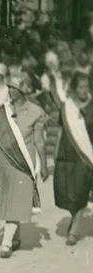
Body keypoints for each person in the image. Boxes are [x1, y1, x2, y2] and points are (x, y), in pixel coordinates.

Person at [0, 72, 48, 258]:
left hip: (23, 163)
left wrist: (45, 165)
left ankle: (6, 244)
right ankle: (15, 238)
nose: (9, 91)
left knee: (17, 199)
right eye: (9, 87)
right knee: (11, 201)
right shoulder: (3, 111)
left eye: (13, 88)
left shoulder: (36, 112)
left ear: (23, 90)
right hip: (3, 161)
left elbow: (39, 141)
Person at [55, 72, 93, 246]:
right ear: (74, 88)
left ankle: (74, 231)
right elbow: (61, 131)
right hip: (68, 155)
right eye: (81, 87)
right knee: (69, 194)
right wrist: (56, 153)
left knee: (81, 192)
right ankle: (74, 218)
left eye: (87, 87)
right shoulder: (67, 107)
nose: (84, 90)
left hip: (87, 156)